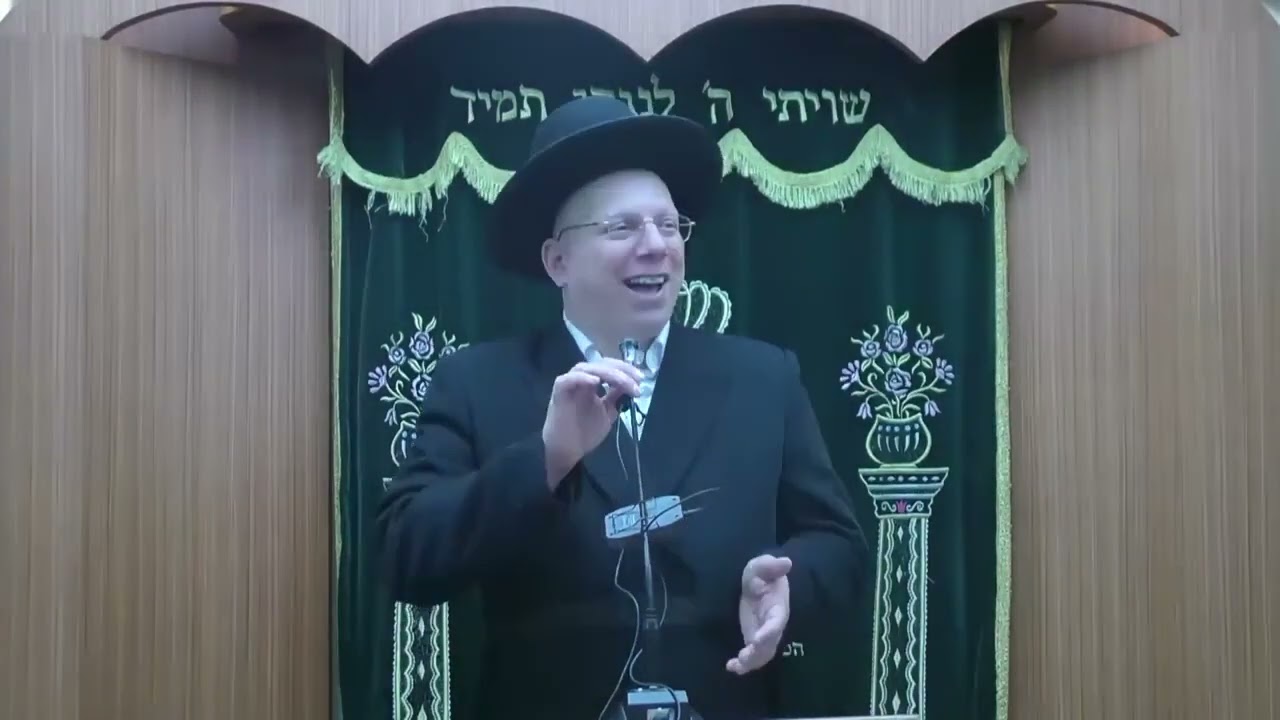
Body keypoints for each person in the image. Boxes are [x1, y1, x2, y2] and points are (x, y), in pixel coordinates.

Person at [377, 96, 866, 720]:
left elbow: (838, 545)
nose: (657, 246)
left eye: (670, 225)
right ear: (557, 261)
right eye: (622, 228)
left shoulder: (764, 378)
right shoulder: (476, 383)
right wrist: (546, 460)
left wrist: (788, 585)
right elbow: (406, 556)